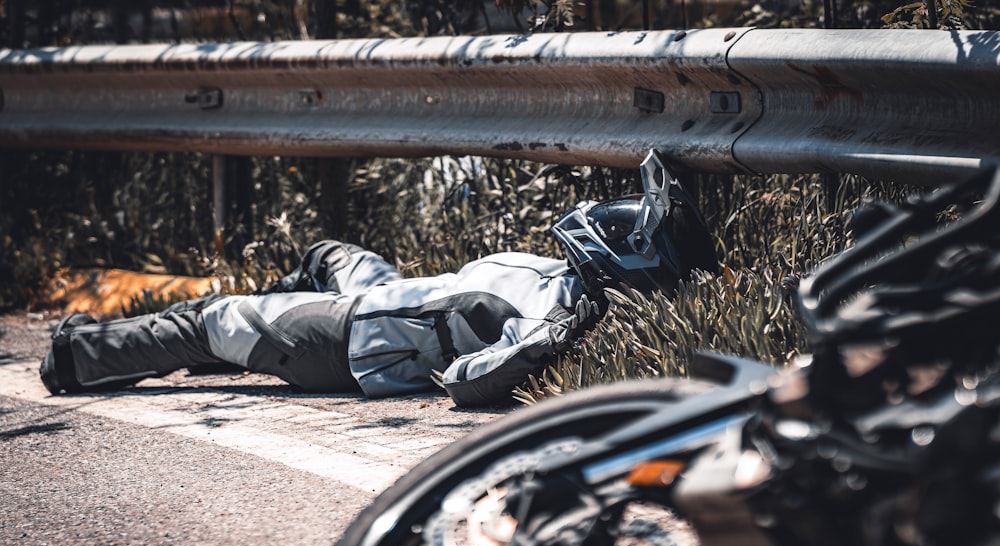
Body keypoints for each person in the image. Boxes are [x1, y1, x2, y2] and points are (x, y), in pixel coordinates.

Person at [39, 150, 718, 407]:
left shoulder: (556, 320)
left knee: (206, 319)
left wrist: (548, 346)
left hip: (347, 338)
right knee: (327, 252)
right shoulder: (567, 288)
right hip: (386, 297)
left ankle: (77, 356)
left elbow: (468, 381)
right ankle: (248, 336)